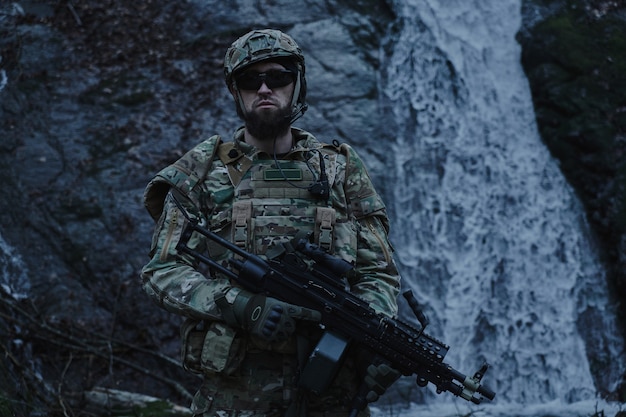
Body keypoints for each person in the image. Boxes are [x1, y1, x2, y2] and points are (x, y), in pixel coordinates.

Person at [141, 28, 402, 417]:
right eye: (250, 79)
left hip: (333, 395)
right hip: (235, 397)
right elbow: (161, 271)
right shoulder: (202, 171)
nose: (265, 89)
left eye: (278, 77)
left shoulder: (341, 169)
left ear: (297, 85)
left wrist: (373, 336)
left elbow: (378, 272)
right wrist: (238, 305)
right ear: (236, 91)